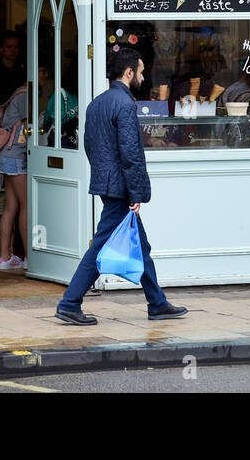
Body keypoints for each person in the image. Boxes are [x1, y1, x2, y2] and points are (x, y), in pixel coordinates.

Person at [55, 48, 187, 325]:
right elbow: (131, 154)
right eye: (139, 72)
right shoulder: (125, 104)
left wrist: (105, 177)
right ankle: (69, 303)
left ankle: (157, 303)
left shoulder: (96, 103)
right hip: (120, 189)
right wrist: (135, 193)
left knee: (141, 245)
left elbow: (89, 146)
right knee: (101, 246)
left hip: (107, 184)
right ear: (128, 72)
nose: (142, 76)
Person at [0, 82, 30, 271]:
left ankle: (5, 259)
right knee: (26, 206)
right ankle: (29, 257)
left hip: (6, 155)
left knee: (11, 207)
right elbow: (28, 128)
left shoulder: (17, 93)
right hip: (16, 156)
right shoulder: (25, 95)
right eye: (43, 73)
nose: (44, 78)